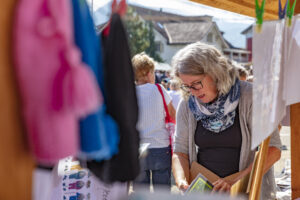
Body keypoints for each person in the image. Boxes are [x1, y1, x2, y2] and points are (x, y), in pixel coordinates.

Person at [171, 42, 281, 199]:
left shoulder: (251, 96)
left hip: (247, 192)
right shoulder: (188, 104)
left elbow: (273, 150)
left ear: (215, 73)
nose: (193, 92)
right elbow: (180, 151)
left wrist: (236, 180)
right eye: (186, 86)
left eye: (196, 83)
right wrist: (181, 180)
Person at [132, 52, 176, 191]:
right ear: (147, 73)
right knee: (162, 193)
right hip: (160, 147)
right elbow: (173, 115)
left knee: (141, 193)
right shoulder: (159, 89)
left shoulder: (129, 92)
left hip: (137, 149)